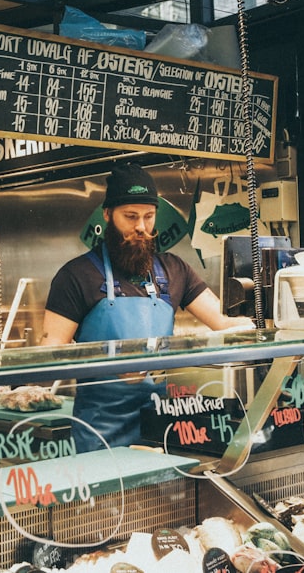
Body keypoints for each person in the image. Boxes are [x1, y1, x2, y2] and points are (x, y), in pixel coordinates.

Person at [42, 163, 252, 452]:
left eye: (149, 217)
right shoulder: (76, 276)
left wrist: (263, 326)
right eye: (130, 217)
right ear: (107, 214)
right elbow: (51, 353)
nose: (141, 227)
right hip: (99, 437)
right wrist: (111, 364)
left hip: (160, 431)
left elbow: (222, 322)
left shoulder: (175, 270)